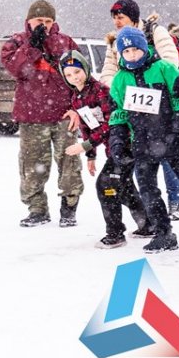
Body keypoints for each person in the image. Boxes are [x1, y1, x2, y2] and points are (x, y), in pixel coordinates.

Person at [107, 26, 179, 253]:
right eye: (127, 51)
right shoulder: (119, 81)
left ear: (144, 48)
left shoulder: (163, 68)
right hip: (142, 143)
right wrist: (118, 141)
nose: (132, 55)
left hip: (172, 140)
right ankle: (163, 232)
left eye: (135, 50)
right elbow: (117, 114)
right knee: (148, 190)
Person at [0, 0, 83, 227]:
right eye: (39, 20)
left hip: (64, 115)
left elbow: (79, 78)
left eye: (48, 21)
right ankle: (37, 209)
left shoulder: (66, 42)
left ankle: (69, 207)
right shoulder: (17, 42)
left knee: (69, 162)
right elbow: (16, 68)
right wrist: (32, 47)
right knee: (32, 165)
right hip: (31, 116)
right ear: (29, 21)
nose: (44, 25)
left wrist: (76, 108)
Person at [57, 49, 149, 247]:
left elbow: (111, 125)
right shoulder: (76, 97)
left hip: (125, 145)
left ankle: (115, 233)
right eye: (69, 75)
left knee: (106, 185)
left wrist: (85, 145)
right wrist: (91, 155)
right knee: (123, 188)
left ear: (86, 69)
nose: (74, 77)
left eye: (77, 72)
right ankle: (148, 223)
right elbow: (87, 126)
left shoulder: (100, 91)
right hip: (111, 149)